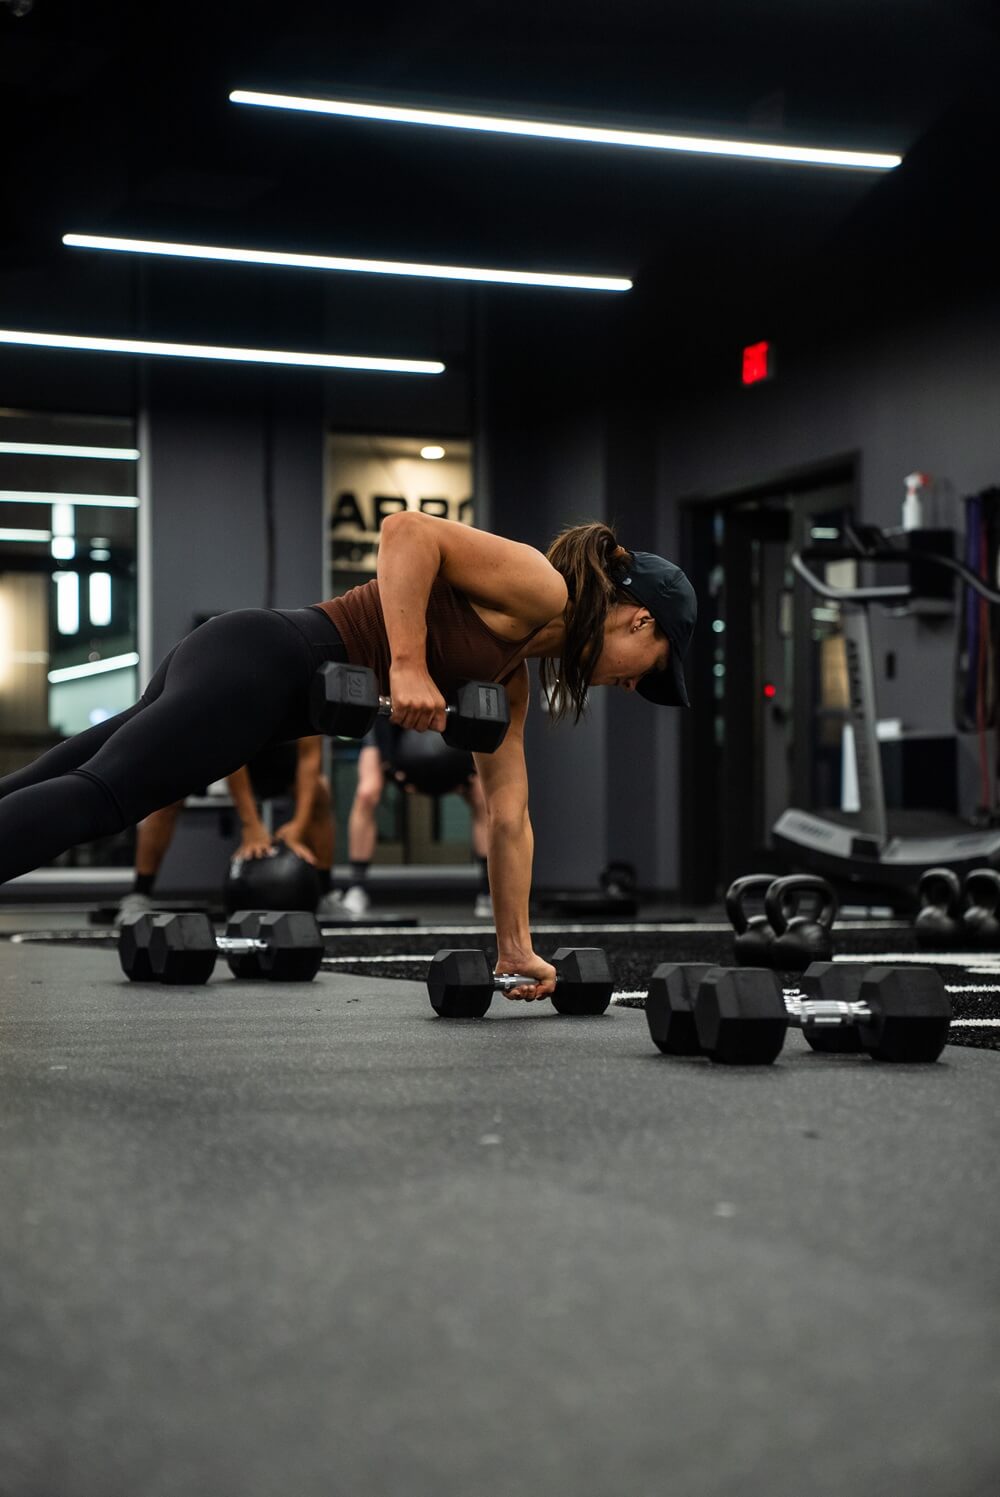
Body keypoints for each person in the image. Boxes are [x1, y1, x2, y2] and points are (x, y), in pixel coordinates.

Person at [0, 516, 695, 1000]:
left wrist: (513, 945)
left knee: (66, 776)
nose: (635, 686)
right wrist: (409, 665)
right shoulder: (545, 587)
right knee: (102, 798)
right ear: (640, 619)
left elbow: (508, 814)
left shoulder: (509, 675)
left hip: (256, 681)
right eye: (650, 667)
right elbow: (407, 531)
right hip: (263, 661)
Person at [115, 736, 339, 923]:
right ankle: (140, 894)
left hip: (269, 749)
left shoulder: (307, 685)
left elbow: (310, 756)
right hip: (216, 741)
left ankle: (325, 893)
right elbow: (233, 749)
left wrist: (298, 827)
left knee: (320, 792)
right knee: (166, 794)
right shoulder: (248, 686)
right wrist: (251, 825)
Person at [341, 718, 492, 918]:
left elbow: (469, 716)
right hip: (393, 726)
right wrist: (393, 768)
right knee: (366, 793)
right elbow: (382, 722)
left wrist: (469, 766)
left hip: (450, 731)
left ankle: (488, 891)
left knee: (483, 797)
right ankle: (357, 888)